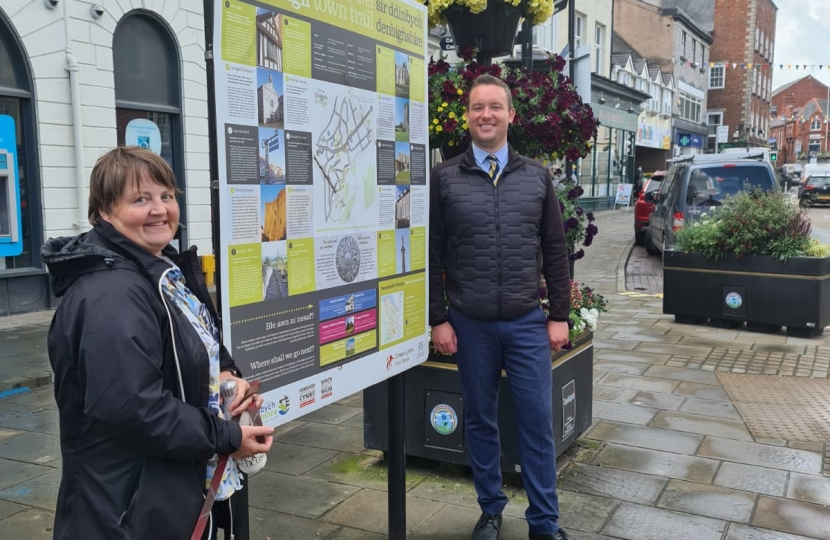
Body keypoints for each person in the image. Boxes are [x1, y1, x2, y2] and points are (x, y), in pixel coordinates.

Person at [42, 147, 274, 540]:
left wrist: (227, 378)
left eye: (166, 196)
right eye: (140, 199)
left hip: (163, 493)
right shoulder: (111, 294)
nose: (159, 210)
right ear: (104, 212)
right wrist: (227, 438)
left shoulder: (161, 268)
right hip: (125, 511)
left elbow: (198, 343)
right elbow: (132, 408)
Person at [429, 74, 571, 540]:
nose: (485, 115)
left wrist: (559, 315)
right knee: (480, 420)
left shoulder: (536, 178)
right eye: (476, 108)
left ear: (512, 115)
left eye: (494, 107)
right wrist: (439, 318)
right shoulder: (445, 178)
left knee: (537, 421)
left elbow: (555, 249)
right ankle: (490, 509)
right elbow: (431, 253)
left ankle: (544, 522)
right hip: (470, 325)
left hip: (526, 323)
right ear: (466, 117)